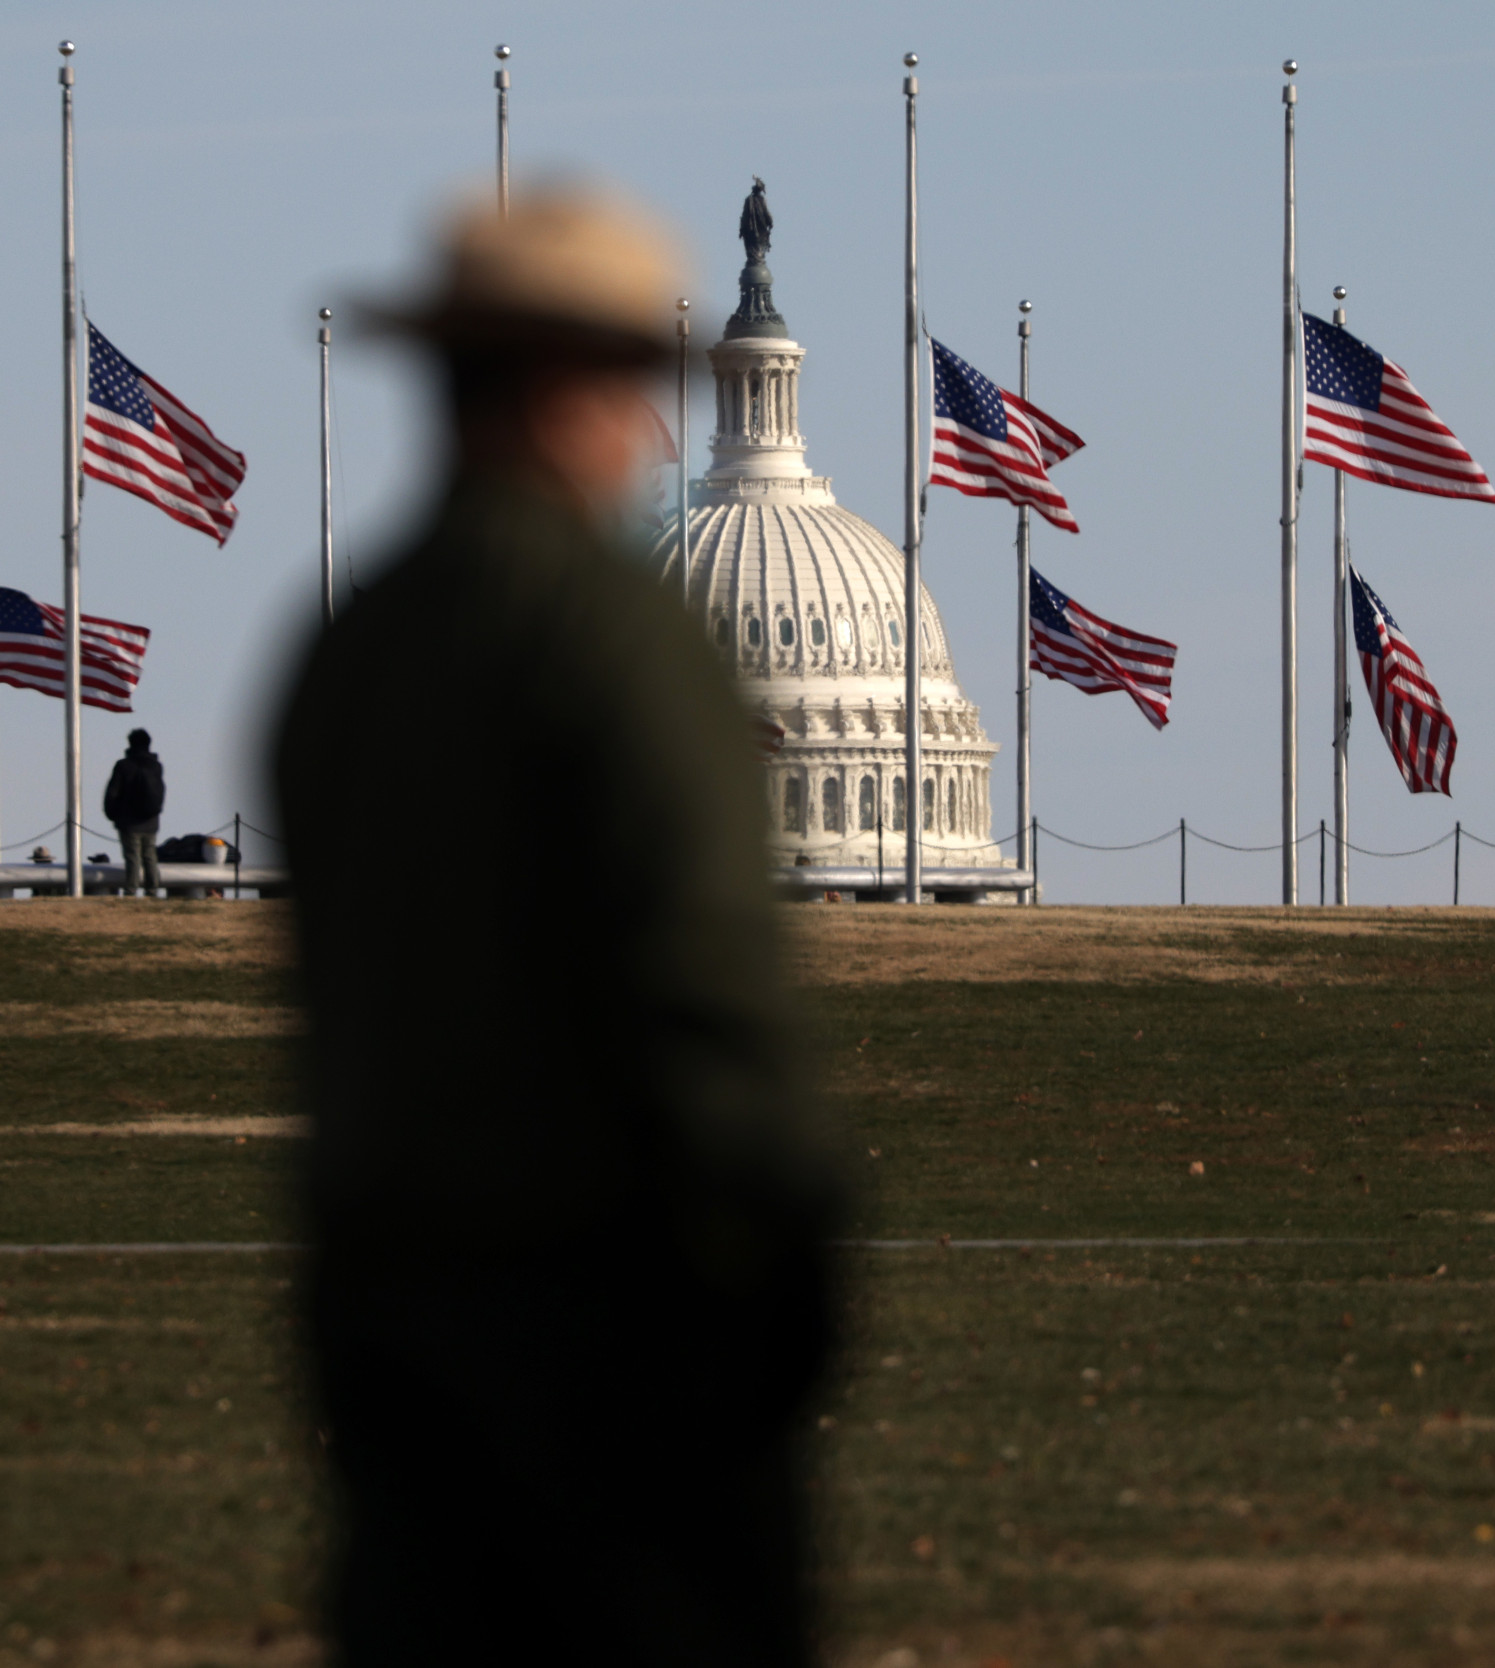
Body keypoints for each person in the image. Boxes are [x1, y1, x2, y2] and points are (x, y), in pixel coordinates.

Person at [272, 188, 844, 1667]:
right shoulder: (614, 634)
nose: (649, 431)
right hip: (609, 1335)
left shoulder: (349, 649)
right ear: (558, 387)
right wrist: (785, 1295)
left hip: (387, 1320)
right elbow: (712, 1000)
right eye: (622, 387)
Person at [102, 728, 165, 897]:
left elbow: (113, 793)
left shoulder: (123, 766)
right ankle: (152, 890)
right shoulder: (156, 766)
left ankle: (131, 890)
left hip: (129, 821)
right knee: (150, 856)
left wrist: (112, 814)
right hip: (151, 820)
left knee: (132, 857)